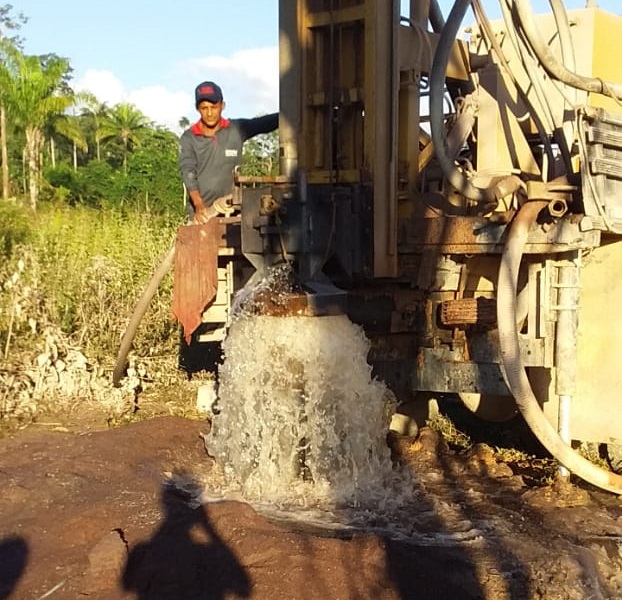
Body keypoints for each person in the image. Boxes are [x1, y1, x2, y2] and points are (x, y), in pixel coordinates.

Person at [178, 80, 279, 223]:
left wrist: (288, 114)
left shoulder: (236, 129)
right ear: (197, 109)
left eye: (214, 107)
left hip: (234, 211)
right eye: (204, 108)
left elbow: (264, 123)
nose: (209, 113)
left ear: (222, 105)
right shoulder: (189, 138)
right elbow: (188, 172)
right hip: (203, 215)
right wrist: (199, 205)